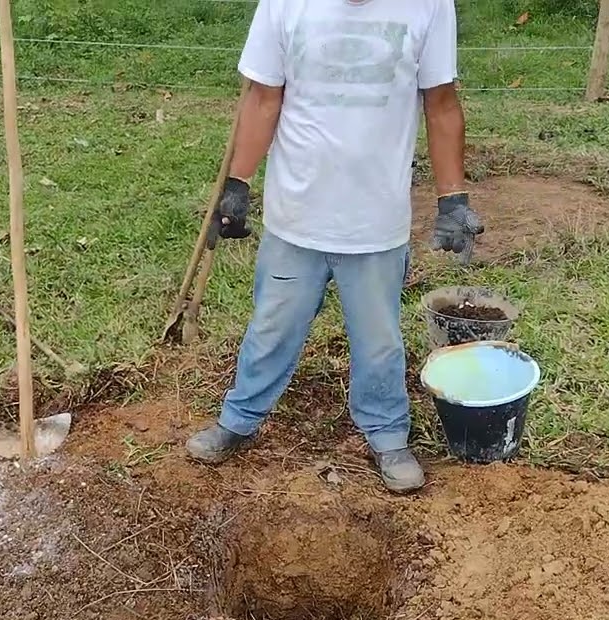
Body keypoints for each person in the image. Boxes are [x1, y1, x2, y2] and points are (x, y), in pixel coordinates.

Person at [185, 0, 484, 493]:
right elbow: (263, 97)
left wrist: (453, 199)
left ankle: (388, 435)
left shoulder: (428, 5)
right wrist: (238, 183)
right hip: (295, 216)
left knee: (379, 341)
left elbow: (442, 103)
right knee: (271, 328)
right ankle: (238, 420)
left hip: (376, 222)